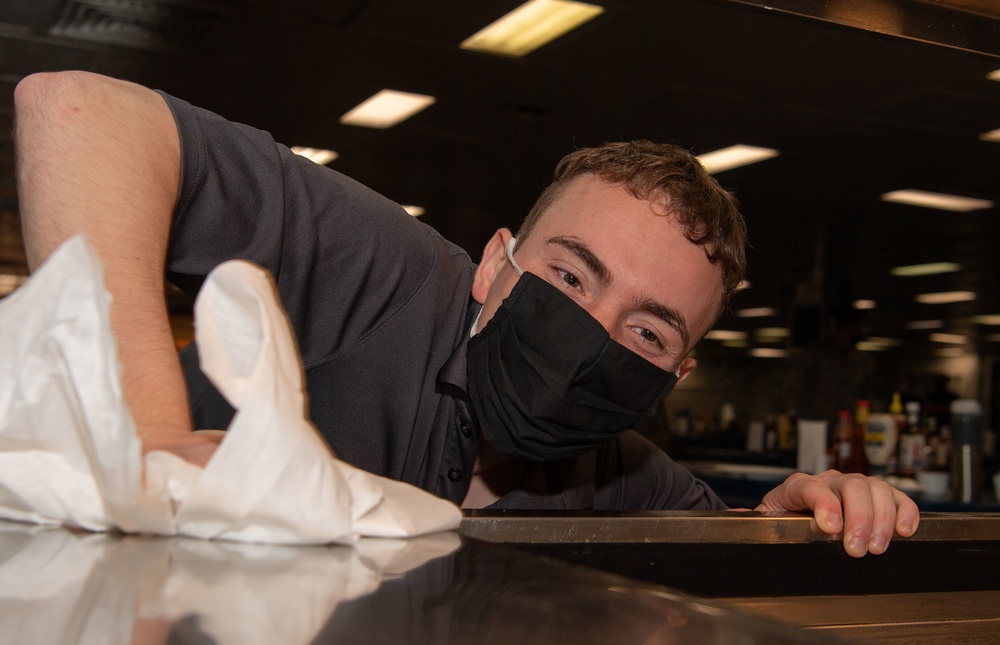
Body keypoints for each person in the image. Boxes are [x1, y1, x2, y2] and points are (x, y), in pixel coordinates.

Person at [13, 70, 918, 557]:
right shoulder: (392, 278)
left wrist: (805, 508)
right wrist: (145, 435)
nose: (589, 336)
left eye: (647, 331)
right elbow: (76, 109)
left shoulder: (619, 477)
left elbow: (730, 534)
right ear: (494, 264)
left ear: (673, 378)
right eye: (569, 277)